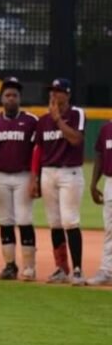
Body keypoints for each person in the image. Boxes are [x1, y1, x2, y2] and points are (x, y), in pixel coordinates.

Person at [0, 76, 38, 281]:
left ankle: (29, 267)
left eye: (15, 95)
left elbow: (36, 153)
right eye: (7, 95)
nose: (11, 98)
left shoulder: (31, 121)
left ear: (20, 98)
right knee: (5, 220)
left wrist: (35, 178)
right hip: (0, 175)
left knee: (24, 219)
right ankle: (10, 265)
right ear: (2, 99)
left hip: (23, 176)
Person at [31, 77, 86, 284]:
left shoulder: (76, 114)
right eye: (51, 90)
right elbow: (39, 149)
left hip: (69, 173)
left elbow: (76, 139)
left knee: (70, 221)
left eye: (58, 91)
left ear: (68, 94)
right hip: (48, 173)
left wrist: (58, 120)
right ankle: (61, 268)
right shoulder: (43, 120)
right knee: (54, 223)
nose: (53, 94)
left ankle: (78, 270)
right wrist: (34, 177)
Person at [87, 119, 112, 286]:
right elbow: (99, 155)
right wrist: (94, 183)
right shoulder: (106, 128)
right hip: (110, 181)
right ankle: (107, 270)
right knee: (110, 229)